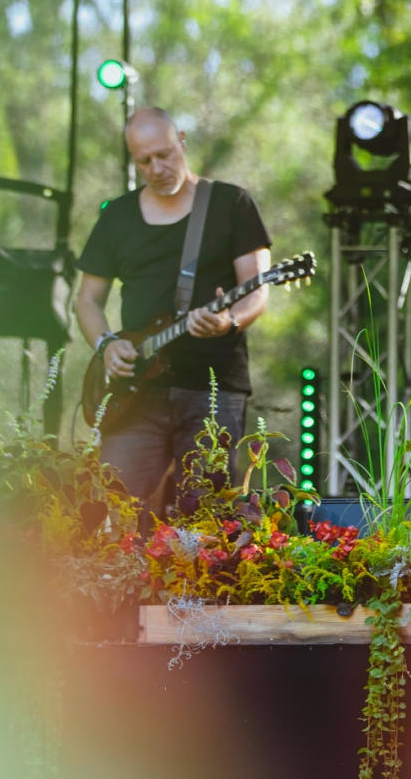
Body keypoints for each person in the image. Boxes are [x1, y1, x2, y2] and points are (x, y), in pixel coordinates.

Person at [75, 107, 273, 500]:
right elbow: (86, 301)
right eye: (144, 161)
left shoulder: (231, 203)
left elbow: (256, 291)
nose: (157, 168)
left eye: (164, 154)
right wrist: (106, 345)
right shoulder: (118, 215)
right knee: (114, 506)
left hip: (212, 388)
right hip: (134, 392)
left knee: (205, 515)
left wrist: (229, 321)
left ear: (182, 140)